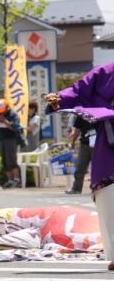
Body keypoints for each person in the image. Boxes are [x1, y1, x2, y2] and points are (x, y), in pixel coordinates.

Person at [45, 63, 114, 269]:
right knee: (109, 194)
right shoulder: (107, 71)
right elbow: (80, 89)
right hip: (111, 138)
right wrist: (60, 98)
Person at [0, 99, 25, 188]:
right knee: (4, 160)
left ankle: (17, 179)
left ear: (7, 107)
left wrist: (5, 121)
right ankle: (10, 180)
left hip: (11, 139)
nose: (1, 112)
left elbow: (15, 128)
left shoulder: (13, 114)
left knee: (11, 159)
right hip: (2, 139)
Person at [65, 114, 95, 195]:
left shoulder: (84, 114)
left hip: (93, 144)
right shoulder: (81, 115)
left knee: (82, 167)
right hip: (88, 143)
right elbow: (77, 130)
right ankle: (77, 189)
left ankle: (77, 189)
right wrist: (73, 142)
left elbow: (77, 131)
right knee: (82, 167)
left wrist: (73, 142)